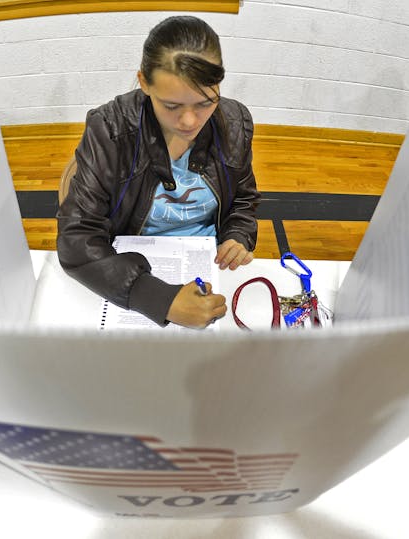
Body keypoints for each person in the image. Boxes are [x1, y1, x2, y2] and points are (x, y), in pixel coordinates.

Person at [56, 16, 260, 329]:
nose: (190, 121)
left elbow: (244, 199)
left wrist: (238, 235)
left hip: (208, 266)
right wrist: (158, 298)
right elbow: (77, 238)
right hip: (128, 266)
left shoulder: (234, 123)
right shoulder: (110, 129)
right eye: (171, 105)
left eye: (205, 103)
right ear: (144, 82)